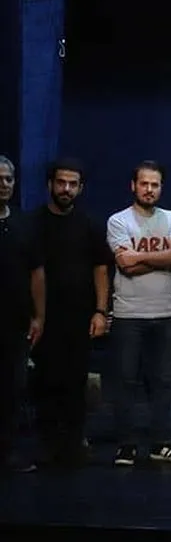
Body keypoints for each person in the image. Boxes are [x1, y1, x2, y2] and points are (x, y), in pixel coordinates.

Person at [107, 160, 171, 466]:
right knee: (125, 381)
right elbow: (124, 265)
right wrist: (162, 257)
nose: (149, 189)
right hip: (128, 314)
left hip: (165, 313)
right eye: (144, 184)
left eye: (155, 185)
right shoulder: (118, 221)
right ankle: (126, 445)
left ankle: (161, 443)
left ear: (161, 188)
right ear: (134, 186)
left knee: (163, 382)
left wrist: (139, 257)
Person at [28, 157, 111, 467]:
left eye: (72, 184)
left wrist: (101, 311)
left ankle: (74, 445)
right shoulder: (32, 224)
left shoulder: (89, 224)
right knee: (45, 381)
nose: (66, 189)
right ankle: (47, 445)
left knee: (76, 383)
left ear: (80, 188)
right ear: (50, 184)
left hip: (80, 318)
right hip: (42, 318)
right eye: (61, 183)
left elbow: (101, 268)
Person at [0, 156, 43, 473]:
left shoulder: (23, 223)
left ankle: (7, 452)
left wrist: (38, 316)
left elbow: (36, 272)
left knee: (12, 388)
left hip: (15, 322)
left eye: (9, 179)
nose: (3, 184)